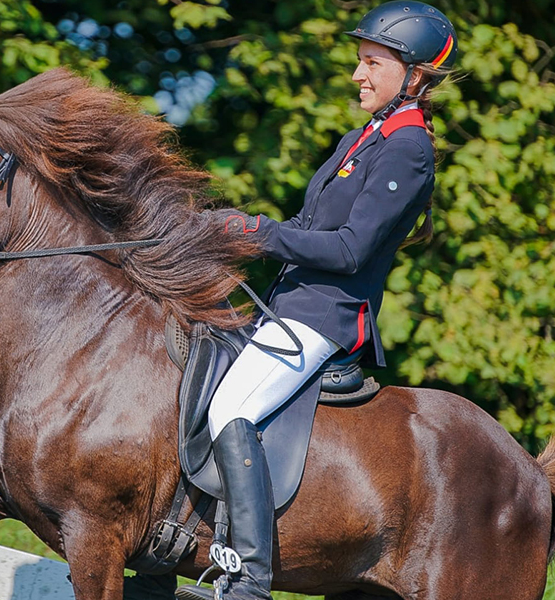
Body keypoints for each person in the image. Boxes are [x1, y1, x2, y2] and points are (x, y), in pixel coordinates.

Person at [175, 3, 458, 599]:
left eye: (371, 63)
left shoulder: (408, 150)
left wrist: (259, 231)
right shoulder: (361, 138)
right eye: (359, 61)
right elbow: (308, 224)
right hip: (287, 301)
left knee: (232, 412)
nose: (358, 74)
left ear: (413, 75)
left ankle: (249, 580)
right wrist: (240, 239)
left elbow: (353, 250)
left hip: (326, 316)